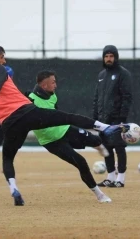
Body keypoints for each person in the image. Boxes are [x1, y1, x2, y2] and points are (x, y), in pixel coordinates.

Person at [0, 44, 128, 206]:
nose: (4, 61)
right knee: (68, 117)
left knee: (7, 158)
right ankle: (105, 128)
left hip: (9, 123)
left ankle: (13, 188)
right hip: (26, 114)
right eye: (2, 57)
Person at [26, 70, 111, 203]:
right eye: (53, 82)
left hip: (65, 129)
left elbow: (56, 114)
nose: (56, 85)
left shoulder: (52, 95)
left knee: (96, 140)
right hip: (52, 142)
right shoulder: (30, 101)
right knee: (81, 162)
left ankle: (99, 147)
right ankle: (99, 194)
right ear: (44, 85)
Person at [93, 45, 133, 188]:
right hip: (103, 119)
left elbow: (127, 97)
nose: (109, 59)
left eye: (111, 56)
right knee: (106, 147)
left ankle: (120, 179)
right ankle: (110, 177)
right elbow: (97, 98)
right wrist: (95, 117)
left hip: (117, 118)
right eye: (106, 56)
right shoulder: (101, 75)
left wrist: (122, 117)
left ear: (116, 57)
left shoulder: (123, 74)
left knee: (119, 146)